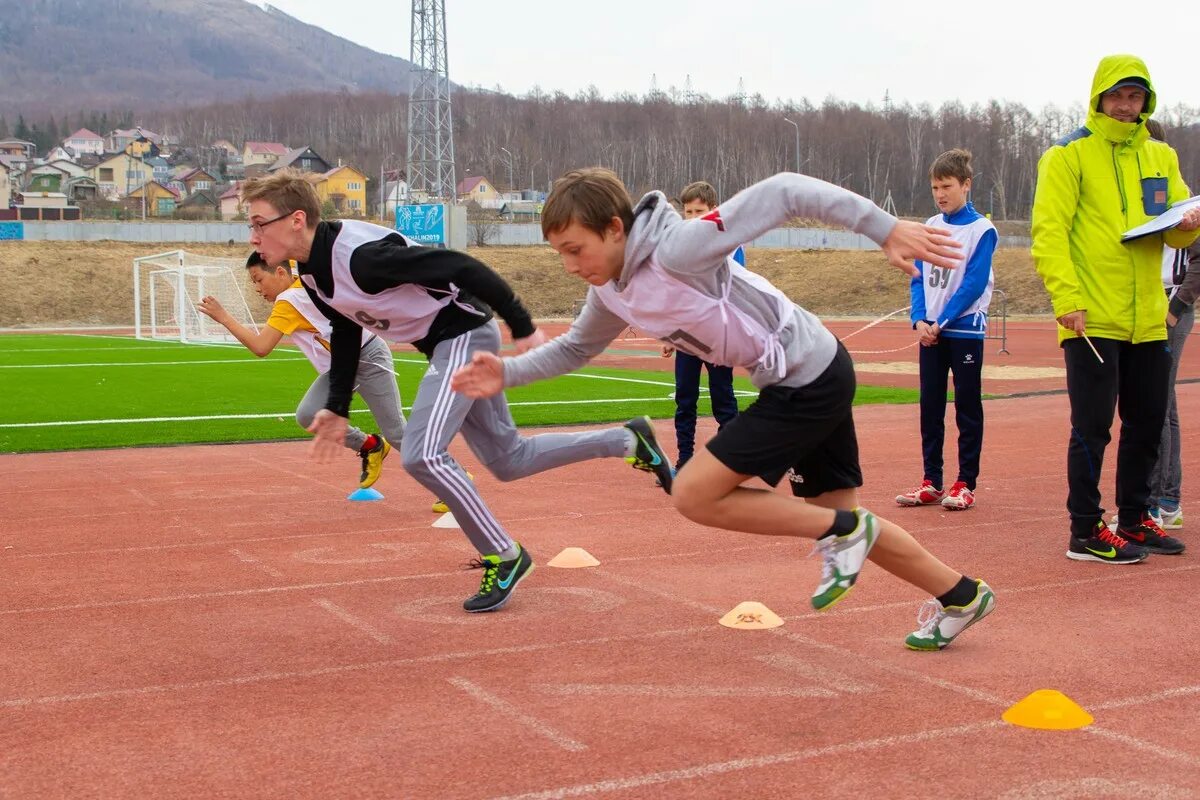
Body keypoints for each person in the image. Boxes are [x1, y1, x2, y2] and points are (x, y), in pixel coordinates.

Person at [452, 167, 996, 650]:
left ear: (615, 229)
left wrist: (882, 226)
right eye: (560, 254)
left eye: (575, 249)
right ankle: (962, 594)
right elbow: (574, 348)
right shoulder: (609, 291)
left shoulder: (678, 251)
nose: (569, 265)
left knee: (693, 493)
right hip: (808, 371)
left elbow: (784, 191)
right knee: (845, 520)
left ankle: (847, 535)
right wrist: (508, 371)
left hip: (808, 376)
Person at [241, 168, 672, 614]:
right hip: (447, 343)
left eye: (258, 223)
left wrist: (522, 325)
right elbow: (346, 325)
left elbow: (461, 265)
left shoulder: (361, 259)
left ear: (295, 220)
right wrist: (336, 406)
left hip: (463, 334)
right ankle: (627, 440)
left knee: (421, 453)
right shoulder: (310, 270)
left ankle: (505, 555)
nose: (252, 236)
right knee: (508, 460)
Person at [1031, 54, 1197, 564]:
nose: (1127, 106)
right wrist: (1067, 299)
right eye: (1118, 96)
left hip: (1147, 316)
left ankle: (1134, 518)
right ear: (1099, 97)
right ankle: (1085, 530)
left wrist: (1189, 222)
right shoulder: (1067, 156)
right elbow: (1049, 233)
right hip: (1091, 316)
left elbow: (1174, 227)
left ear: (1148, 100)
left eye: (1136, 96)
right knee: (1093, 427)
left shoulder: (1160, 156)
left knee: (1147, 422)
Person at [196, 251, 399, 491]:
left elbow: (261, 347)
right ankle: (370, 445)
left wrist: (224, 317)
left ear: (280, 272)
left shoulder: (289, 300)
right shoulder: (304, 283)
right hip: (341, 365)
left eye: (259, 280)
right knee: (308, 414)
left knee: (396, 431)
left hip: (367, 356)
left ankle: (451, 480)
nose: (258, 289)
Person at [895, 150, 994, 511]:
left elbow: (973, 282)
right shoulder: (929, 225)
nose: (940, 194)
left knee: (967, 406)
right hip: (931, 333)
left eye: (947, 186)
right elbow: (917, 276)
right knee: (930, 406)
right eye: (935, 187)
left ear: (966, 185)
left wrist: (943, 322)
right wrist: (920, 320)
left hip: (963, 330)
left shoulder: (982, 230)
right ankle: (931, 480)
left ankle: (966, 482)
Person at [659, 181, 742, 477]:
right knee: (685, 400)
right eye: (688, 211)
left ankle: (733, 464)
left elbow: (728, 290)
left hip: (718, 337)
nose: (693, 217)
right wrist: (671, 333)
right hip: (687, 339)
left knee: (723, 400)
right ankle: (684, 461)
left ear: (713, 211)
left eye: (700, 211)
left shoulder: (729, 244)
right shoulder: (677, 248)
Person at [1144, 119, 1200, 531]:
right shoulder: (1131, 201)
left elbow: (1197, 260)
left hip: (1168, 304)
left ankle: (1155, 500)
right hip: (1138, 302)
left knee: (1155, 402)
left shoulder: (1179, 203)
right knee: (1161, 403)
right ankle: (1166, 498)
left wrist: (1176, 306)